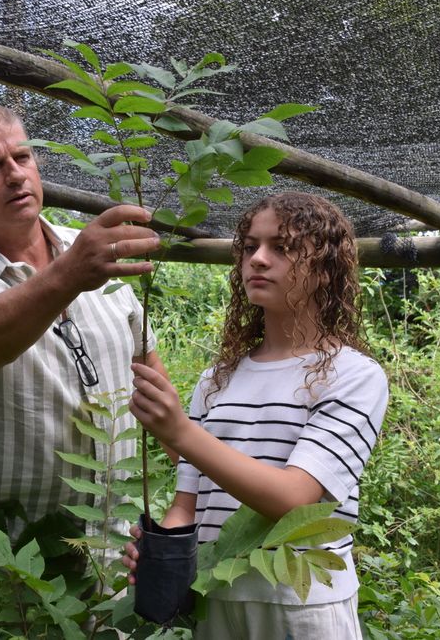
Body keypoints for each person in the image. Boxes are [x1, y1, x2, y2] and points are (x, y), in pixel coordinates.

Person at [123, 191, 388, 639]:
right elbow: (188, 504)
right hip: (217, 596)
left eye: (281, 247)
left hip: (301, 603)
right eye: (249, 247)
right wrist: (163, 553)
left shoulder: (354, 375)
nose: (258, 260)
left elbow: (295, 498)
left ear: (325, 267)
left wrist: (180, 433)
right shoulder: (217, 380)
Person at [0, 105, 169, 548]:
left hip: (116, 539)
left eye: (23, 158)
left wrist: (197, 490)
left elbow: (149, 372)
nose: (15, 175)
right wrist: (69, 274)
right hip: (7, 562)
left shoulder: (91, 251)